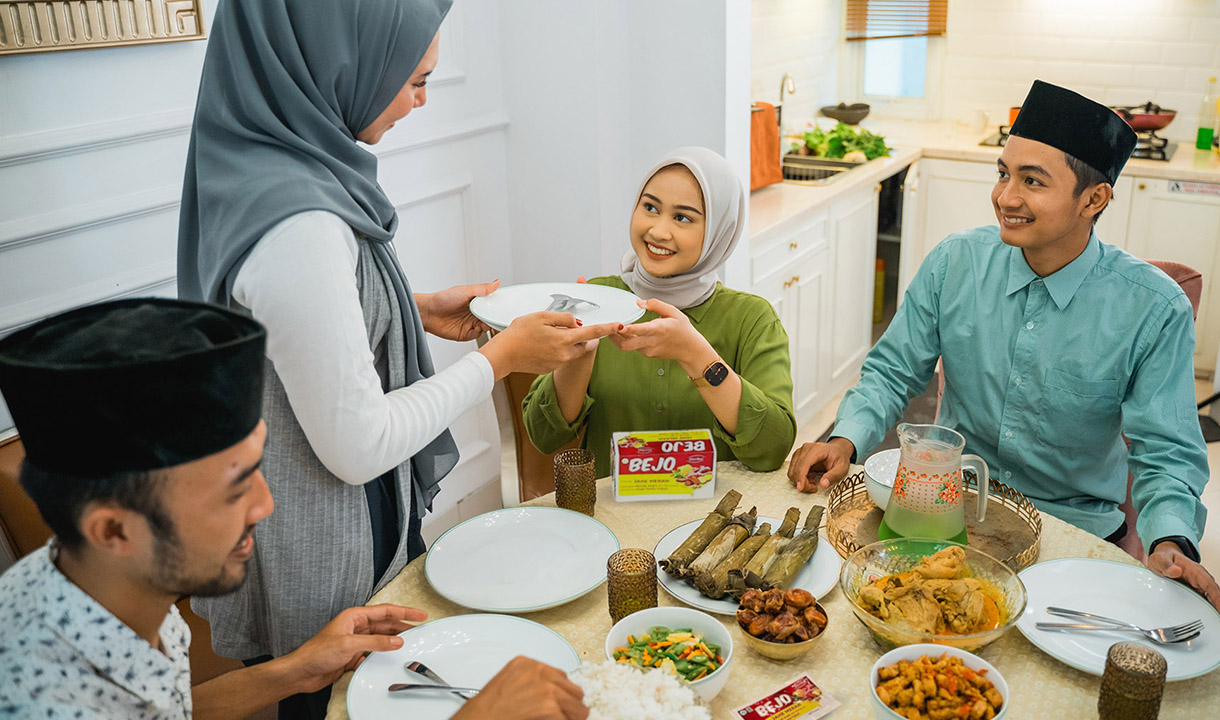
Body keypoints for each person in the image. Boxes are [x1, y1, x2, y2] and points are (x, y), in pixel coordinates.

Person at [175, 1, 617, 713]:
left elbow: (279, 322)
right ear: (340, 61)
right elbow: (359, 445)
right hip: (318, 539)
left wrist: (411, 307)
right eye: (412, 79)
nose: (419, 101)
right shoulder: (298, 221)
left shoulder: (265, 163)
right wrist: (501, 359)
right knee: (340, 700)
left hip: (319, 520)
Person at [0, 299, 588, 720]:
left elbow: (165, 707)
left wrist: (299, 668)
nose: (265, 505)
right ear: (112, 529)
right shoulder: (43, 700)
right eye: (234, 489)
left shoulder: (104, 587)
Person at [787, 80, 1220, 612]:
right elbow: (893, 370)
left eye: (1032, 181)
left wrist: (1171, 539)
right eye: (1003, 173)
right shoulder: (955, 262)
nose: (1005, 197)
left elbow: (1167, 451)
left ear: (1094, 198)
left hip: (1074, 532)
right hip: (948, 514)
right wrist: (846, 439)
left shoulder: (1152, 308)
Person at [523, 147, 796, 477]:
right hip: (610, 519)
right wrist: (580, 354)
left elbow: (772, 448)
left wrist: (696, 355)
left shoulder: (752, 318)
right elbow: (543, 436)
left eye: (683, 217)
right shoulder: (596, 299)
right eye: (650, 207)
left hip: (715, 519)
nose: (658, 231)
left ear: (718, 232)